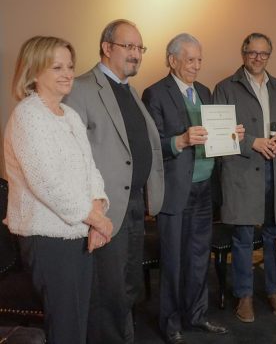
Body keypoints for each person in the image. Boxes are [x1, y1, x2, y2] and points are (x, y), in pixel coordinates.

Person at [3, 36, 113, 344]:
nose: (67, 73)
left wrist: (97, 213)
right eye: (56, 67)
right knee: (65, 323)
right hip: (47, 236)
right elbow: (47, 184)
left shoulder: (71, 115)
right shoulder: (28, 115)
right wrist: (97, 220)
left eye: (70, 66)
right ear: (34, 72)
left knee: (80, 318)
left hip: (79, 229)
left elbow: (91, 170)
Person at [63, 19, 164, 344]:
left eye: (140, 48)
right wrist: (91, 215)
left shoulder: (128, 90)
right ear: (107, 48)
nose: (136, 54)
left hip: (134, 204)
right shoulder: (80, 87)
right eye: (129, 46)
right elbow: (73, 158)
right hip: (104, 208)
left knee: (128, 286)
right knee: (107, 292)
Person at [142, 33, 238, 344]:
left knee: (199, 257)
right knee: (172, 260)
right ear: (172, 61)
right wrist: (179, 141)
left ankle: (196, 315)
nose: (196, 66)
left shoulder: (206, 92)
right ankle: (170, 322)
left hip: (203, 188)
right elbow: (152, 145)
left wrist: (231, 134)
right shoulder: (155, 93)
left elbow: (214, 136)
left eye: (199, 60)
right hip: (175, 190)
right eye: (190, 60)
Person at [213, 33, 276, 323]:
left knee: (274, 234)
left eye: (264, 54)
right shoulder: (225, 87)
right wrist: (252, 141)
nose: (258, 58)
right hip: (241, 171)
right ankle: (244, 296)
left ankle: (274, 292)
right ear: (243, 53)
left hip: (275, 170)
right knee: (244, 236)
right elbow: (218, 132)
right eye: (253, 53)